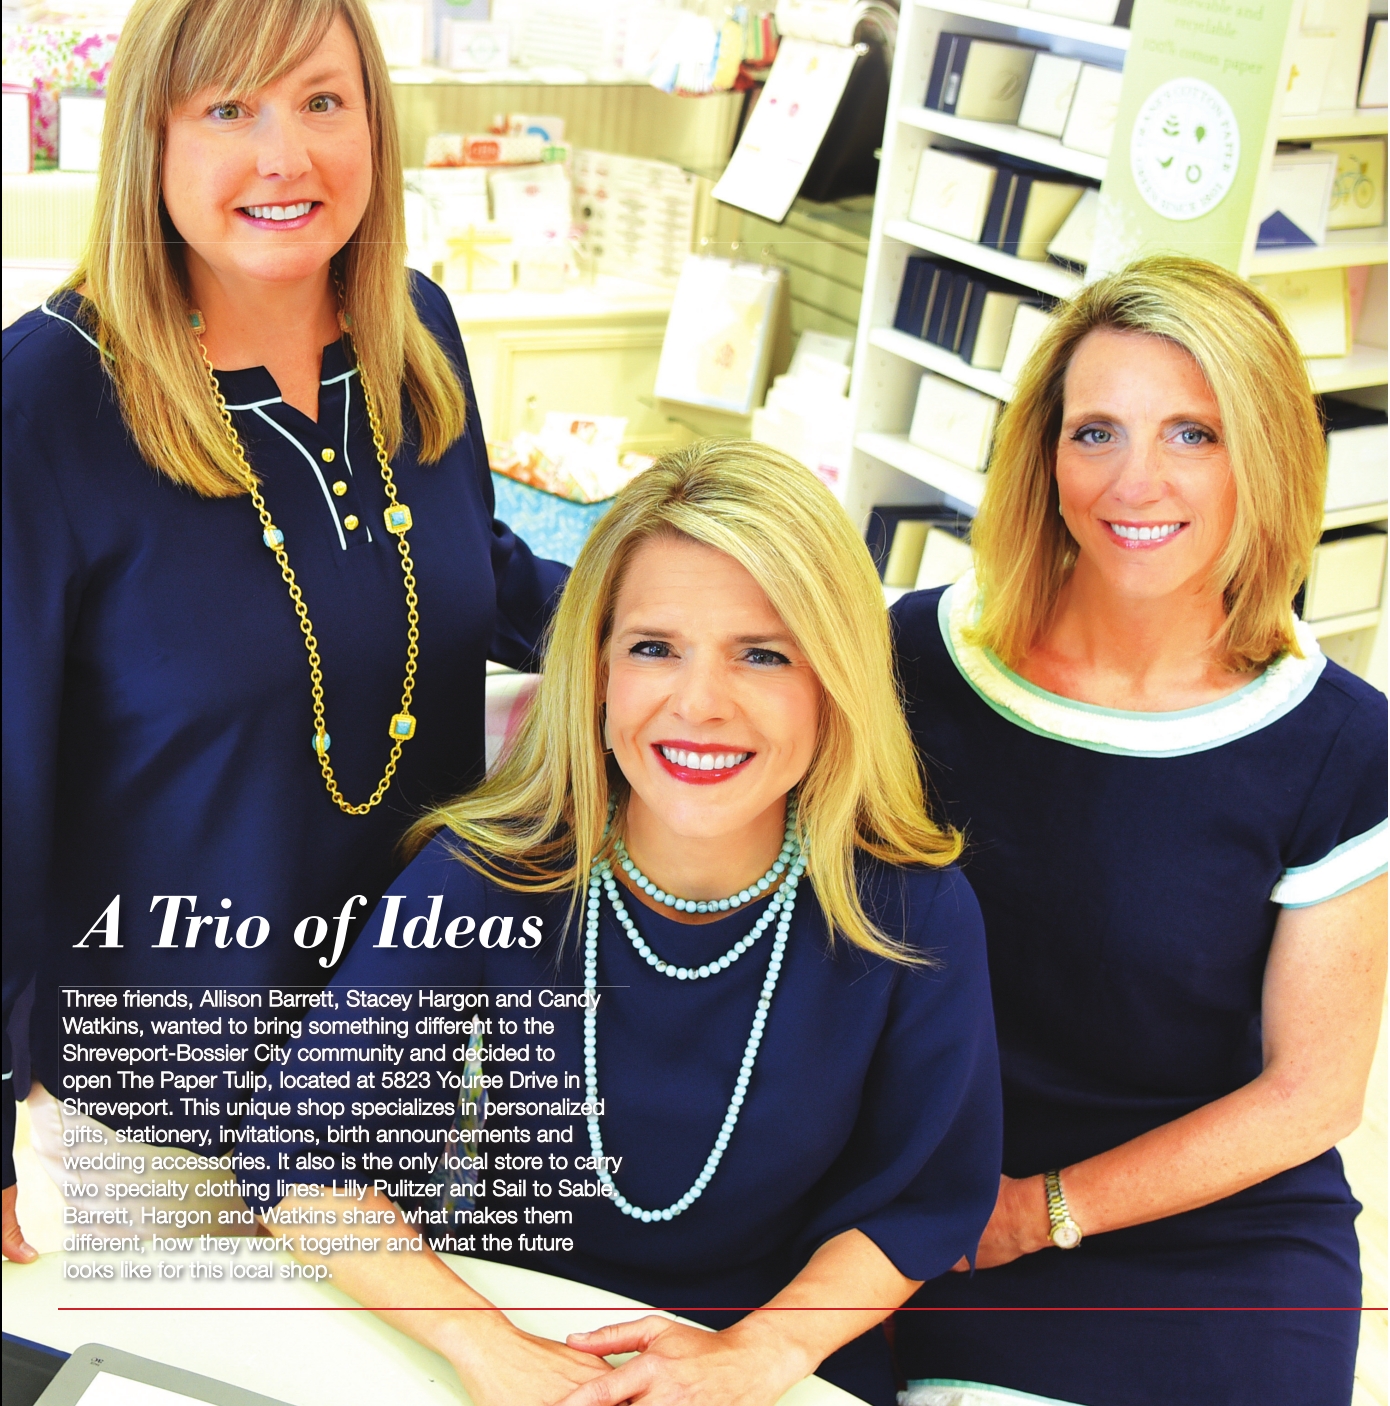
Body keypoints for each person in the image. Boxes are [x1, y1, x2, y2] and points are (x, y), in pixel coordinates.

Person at [241, 442, 1003, 1406]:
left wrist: (761, 1354)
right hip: (521, 1323)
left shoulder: (912, 912)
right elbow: (298, 1156)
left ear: (835, 683)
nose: (699, 704)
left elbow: (923, 1200)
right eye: (653, 648)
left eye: (763, 654)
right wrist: (487, 1346)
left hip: (781, 1361)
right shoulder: (486, 876)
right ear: (597, 671)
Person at [1, 0, 565, 1262]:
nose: (285, 155)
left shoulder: (415, 330)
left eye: (321, 101)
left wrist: (692, 621)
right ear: (149, 140)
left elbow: (466, 568)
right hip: (159, 1123)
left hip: (393, 1080)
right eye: (228, 109)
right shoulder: (44, 404)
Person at [891, 257, 1387, 1406]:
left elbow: (1312, 1092)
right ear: (1044, 454)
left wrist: (1043, 1210)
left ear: (1264, 455)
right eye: (1095, 432)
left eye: (1192, 434)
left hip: (1210, 1230)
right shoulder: (915, 659)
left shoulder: (1335, 741)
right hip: (934, 1196)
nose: (1135, 481)